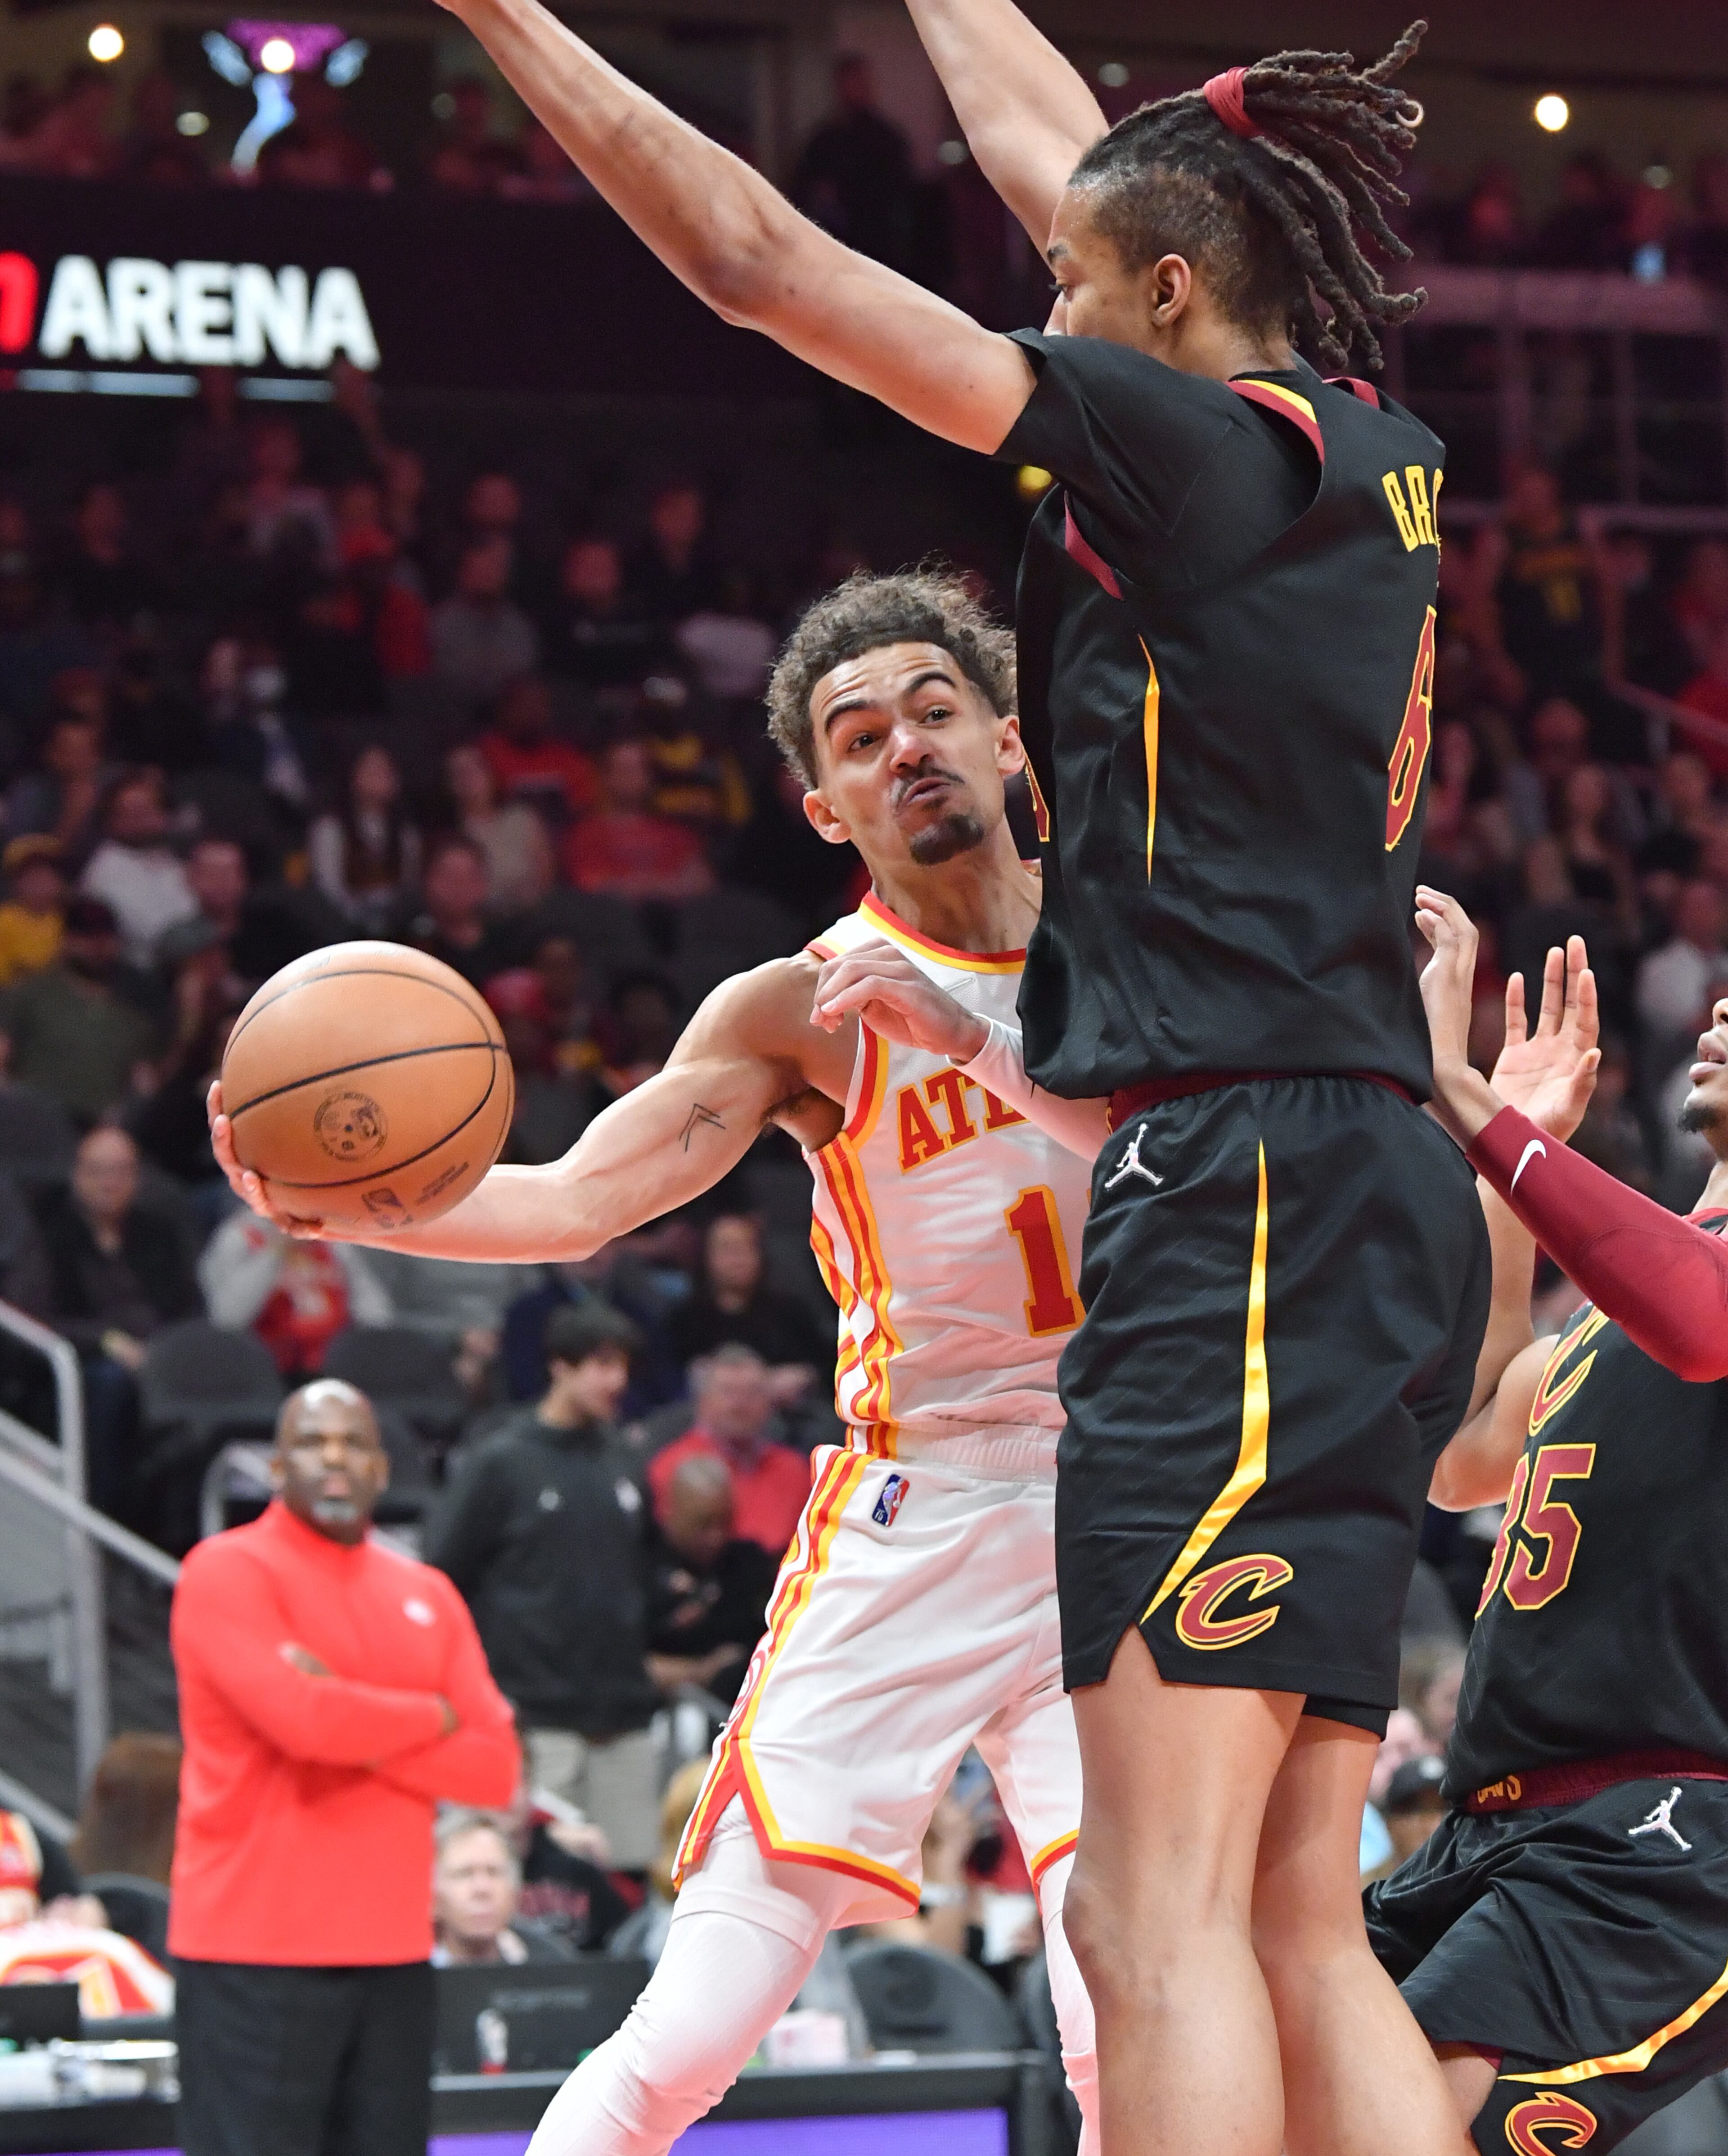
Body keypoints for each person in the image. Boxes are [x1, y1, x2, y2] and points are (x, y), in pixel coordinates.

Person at [208, 568, 1100, 2151]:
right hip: (930, 1506)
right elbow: (572, 1202)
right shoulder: (803, 1009)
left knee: (1131, 2021)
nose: (904, 745)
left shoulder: (1146, 940)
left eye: (935, 709)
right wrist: (341, 1206)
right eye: (857, 733)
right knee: (691, 2032)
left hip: (1135, 1499)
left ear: (1014, 745)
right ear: (823, 808)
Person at [1358, 894, 1728, 2151]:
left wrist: (1471, 1101)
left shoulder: (1691, 1296)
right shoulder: (1610, 1313)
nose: (1720, 1009)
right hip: (1493, 1819)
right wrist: (1503, 1172)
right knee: (1289, 2079)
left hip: (1670, 1828)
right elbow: (1465, 1450)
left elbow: (1705, 1324)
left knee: (1415, 2120)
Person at [168, 1378, 519, 2156]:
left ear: (383, 1469)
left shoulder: (427, 1592)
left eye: (354, 1443)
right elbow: (301, 1722)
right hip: (250, 1953)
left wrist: (341, 1714)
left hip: (392, 1953)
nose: (335, 1459)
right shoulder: (223, 1572)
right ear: (274, 1465)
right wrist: (433, 1715)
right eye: (313, 1442)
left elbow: (495, 1770)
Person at [425, 1303, 663, 1870]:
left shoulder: (626, 1462)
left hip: (623, 1717)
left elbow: (645, 1574)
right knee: (536, 1876)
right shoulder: (502, 1463)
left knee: (632, 1879)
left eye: (623, 1366)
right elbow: (441, 1577)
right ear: (559, 1366)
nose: (618, 1382)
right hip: (534, 1719)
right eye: (603, 1365)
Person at [39, 1125, 202, 1516]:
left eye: (120, 1172)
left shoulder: (158, 1232)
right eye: (98, 1171)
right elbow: (42, 1318)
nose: (109, 1183)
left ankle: (177, 1528)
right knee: (112, 1386)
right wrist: (109, 1343)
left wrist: (163, 1352)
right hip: (86, 1363)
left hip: (161, 1357)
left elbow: (192, 1306)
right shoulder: (51, 1233)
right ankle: (107, 1514)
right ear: (77, 1174)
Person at [0, 896, 156, 1125]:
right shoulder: (31, 993)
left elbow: (144, 1082)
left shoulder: (131, 1009)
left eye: (105, 936)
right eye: (86, 936)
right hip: (30, 1121)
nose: (96, 945)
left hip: (100, 1127)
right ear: (67, 939)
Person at [646, 1345, 811, 1560]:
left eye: (753, 1392)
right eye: (729, 1392)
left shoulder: (796, 1470)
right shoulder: (671, 1467)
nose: (741, 1404)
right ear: (702, 1401)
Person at [645, 1449, 779, 1706]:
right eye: (703, 1524)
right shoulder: (642, 1565)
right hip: (656, 1712)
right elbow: (624, 1666)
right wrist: (704, 1671)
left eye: (724, 1522)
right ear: (670, 1511)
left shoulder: (749, 1565)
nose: (715, 1537)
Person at [666, 1212, 831, 1393]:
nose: (738, 1258)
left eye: (747, 1247)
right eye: (728, 1248)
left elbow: (824, 1366)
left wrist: (805, 1376)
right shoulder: (684, 1320)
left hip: (789, 1413)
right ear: (706, 1256)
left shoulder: (789, 1312)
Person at [432, 1812, 575, 1965]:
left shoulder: (553, 1964)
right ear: (432, 1895)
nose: (482, 1889)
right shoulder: (406, 1973)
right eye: (464, 1874)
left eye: (494, 1872)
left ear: (516, 1892)